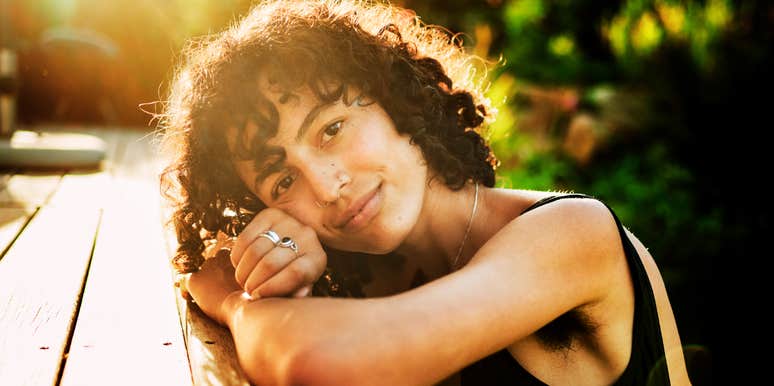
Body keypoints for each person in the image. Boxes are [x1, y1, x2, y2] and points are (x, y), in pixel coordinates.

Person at [158, 0, 690, 385]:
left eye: (331, 129)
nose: (327, 186)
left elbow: (317, 360)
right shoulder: (368, 286)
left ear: (397, 102)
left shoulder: (573, 234)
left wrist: (235, 304)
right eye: (283, 181)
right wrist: (279, 282)